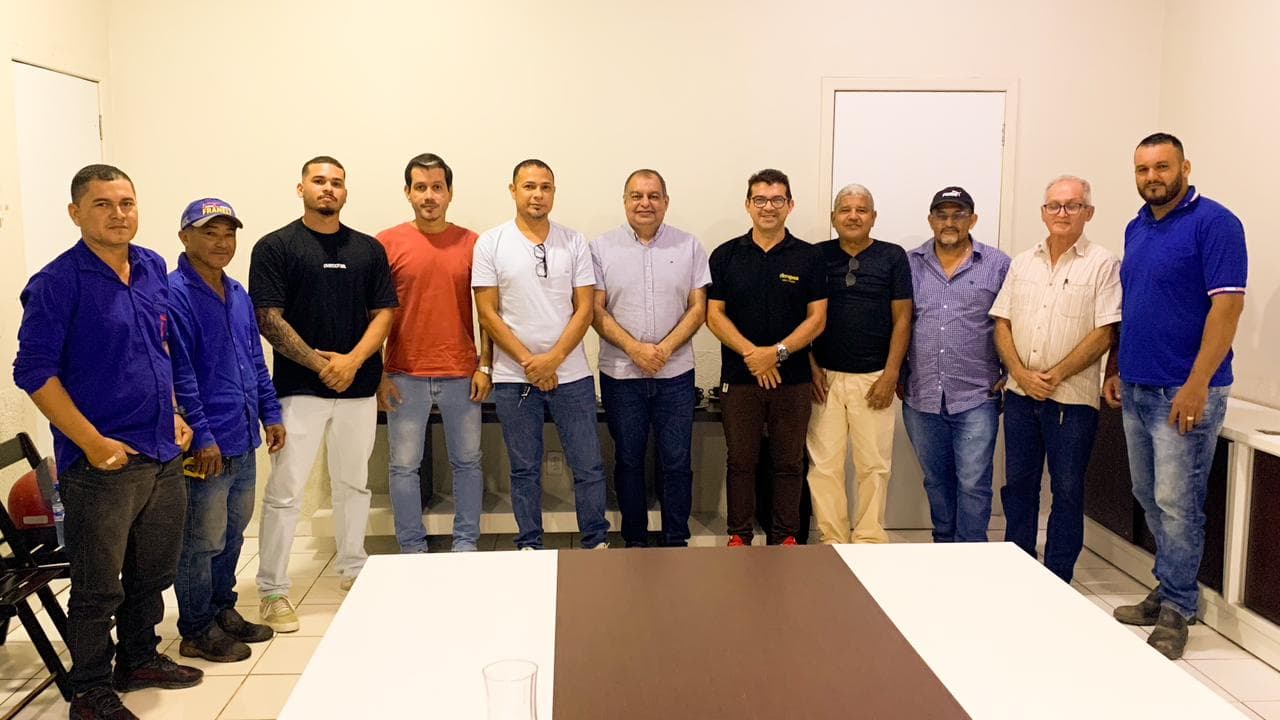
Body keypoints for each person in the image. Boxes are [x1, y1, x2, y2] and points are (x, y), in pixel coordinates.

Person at [14, 164, 202, 719]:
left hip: (161, 453)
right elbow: (34, 373)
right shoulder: (56, 283)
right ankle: (90, 689)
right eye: (102, 204)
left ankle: (138, 657)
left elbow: (157, 348)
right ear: (76, 213)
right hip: (102, 464)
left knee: (153, 571)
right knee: (98, 586)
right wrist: (93, 443)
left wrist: (174, 411)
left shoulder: (151, 266)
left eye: (126, 203)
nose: (118, 214)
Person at [1104, 133, 1246, 660]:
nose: (1152, 178)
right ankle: (1168, 586)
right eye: (1142, 170)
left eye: (1162, 167)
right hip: (1138, 386)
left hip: (1183, 390)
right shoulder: (1137, 226)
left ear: (1185, 167)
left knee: (1178, 503)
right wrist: (1118, 368)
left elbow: (1227, 308)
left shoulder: (1216, 224)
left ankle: (1179, 606)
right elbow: (1135, 304)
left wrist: (1197, 384)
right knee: (1149, 496)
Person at [249, 156, 397, 632]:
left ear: (345, 192)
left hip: (358, 389)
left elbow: (384, 314)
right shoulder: (275, 247)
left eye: (336, 182)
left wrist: (351, 363)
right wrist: (321, 365)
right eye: (319, 181)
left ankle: (353, 568)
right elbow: (268, 319)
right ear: (301, 189)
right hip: (299, 391)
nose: (328, 188)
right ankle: (273, 589)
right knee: (286, 491)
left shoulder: (368, 249)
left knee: (354, 484)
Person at [167, 198, 285, 663]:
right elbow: (180, 374)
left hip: (242, 437)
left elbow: (255, 361)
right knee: (201, 542)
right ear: (185, 237)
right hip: (206, 445)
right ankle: (197, 629)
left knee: (233, 535)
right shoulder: (174, 294)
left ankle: (222, 610)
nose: (221, 242)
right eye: (209, 233)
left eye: (228, 233)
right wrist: (202, 435)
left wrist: (270, 413)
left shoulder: (237, 292)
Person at [472, 159, 610, 550]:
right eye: (529, 186)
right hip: (514, 378)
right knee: (524, 469)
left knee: (588, 466)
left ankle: (595, 541)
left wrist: (553, 360)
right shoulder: (491, 243)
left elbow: (585, 309)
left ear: (554, 193)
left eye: (545, 187)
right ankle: (529, 544)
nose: (537, 194)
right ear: (513, 190)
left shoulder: (574, 241)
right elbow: (488, 313)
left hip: (572, 376)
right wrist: (530, 363)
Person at [990, 176, 1120, 582]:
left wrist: (1055, 375)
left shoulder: (1102, 263)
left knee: (1066, 489)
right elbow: (1002, 322)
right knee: (1018, 486)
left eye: (1072, 205)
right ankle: (1018, 567)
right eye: (1054, 206)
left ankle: (1058, 576)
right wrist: (1019, 374)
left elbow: (1105, 331)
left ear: (1088, 212)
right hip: (1020, 395)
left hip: (1072, 399)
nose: (1062, 213)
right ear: (1043, 212)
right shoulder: (1022, 262)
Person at [376, 154, 491, 553]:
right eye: (421, 187)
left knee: (468, 462)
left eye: (437, 187)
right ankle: (412, 547)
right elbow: (372, 314)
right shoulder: (386, 243)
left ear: (450, 193)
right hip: (403, 374)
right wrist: (378, 373)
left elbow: (488, 312)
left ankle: (466, 543)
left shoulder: (473, 243)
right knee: (404, 466)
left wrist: (486, 365)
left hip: (462, 372)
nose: (429, 196)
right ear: (408, 192)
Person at [706, 168, 827, 547]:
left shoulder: (810, 257)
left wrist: (776, 354)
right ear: (748, 204)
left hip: (792, 379)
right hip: (740, 378)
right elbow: (713, 315)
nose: (768, 207)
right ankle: (739, 536)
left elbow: (817, 319)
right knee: (741, 461)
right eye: (760, 199)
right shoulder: (725, 255)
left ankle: (785, 536)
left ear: (790, 205)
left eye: (777, 200)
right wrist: (752, 355)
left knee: (789, 462)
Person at [591, 169, 710, 547]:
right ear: (625, 201)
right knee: (628, 460)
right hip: (621, 375)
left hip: (675, 375)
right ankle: (635, 541)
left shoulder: (689, 246)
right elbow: (595, 310)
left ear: (666, 202)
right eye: (637, 196)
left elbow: (698, 307)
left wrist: (664, 350)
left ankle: (676, 540)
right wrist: (635, 349)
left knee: (676, 461)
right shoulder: (600, 248)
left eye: (654, 196)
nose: (645, 203)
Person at [901, 186, 1010, 543]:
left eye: (958, 215)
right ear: (931, 220)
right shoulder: (909, 264)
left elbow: (1014, 320)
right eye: (942, 215)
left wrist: (1012, 370)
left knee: (974, 483)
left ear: (972, 220)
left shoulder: (998, 264)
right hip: (922, 395)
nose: (949, 222)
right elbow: (897, 322)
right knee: (936, 480)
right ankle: (944, 547)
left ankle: (971, 554)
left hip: (977, 394)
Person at [806, 184, 912, 545]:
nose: (853, 216)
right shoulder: (816, 256)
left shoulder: (892, 256)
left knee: (874, 466)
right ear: (833, 217)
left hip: (875, 377)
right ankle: (832, 540)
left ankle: (869, 540)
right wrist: (811, 366)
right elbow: (801, 315)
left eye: (862, 210)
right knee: (824, 466)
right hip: (825, 378)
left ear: (873, 217)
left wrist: (891, 374)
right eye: (845, 209)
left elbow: (903, 318)